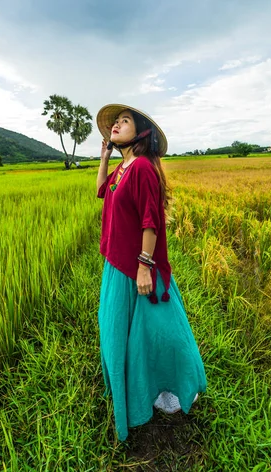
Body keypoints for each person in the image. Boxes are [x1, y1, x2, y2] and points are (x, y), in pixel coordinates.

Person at [96, 103, 207, 442]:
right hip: (116, 263)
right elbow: (102, 190)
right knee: (123, 330)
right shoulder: (122, 168)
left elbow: (151, 220)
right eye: (115, 122)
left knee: (161, 332)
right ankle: (138, 386)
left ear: (141, 133)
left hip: (138, 267)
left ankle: (174, 387)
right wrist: (104, 157)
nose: (116, 125)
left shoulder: (143, 168)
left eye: (124, 121)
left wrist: (144, 266)